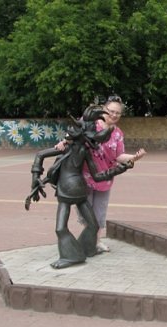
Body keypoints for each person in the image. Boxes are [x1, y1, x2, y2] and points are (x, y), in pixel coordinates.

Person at [56, 95, 146, 252]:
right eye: (111, 111)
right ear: (104, 110)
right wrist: (63, 143)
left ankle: (95, 242)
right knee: (87, 214)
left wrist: (133, 157)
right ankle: (90, 242)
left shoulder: (117, 134)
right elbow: (73, 137)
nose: (114, 115)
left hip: (105, 180)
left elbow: (119, 156)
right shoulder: (89, 124)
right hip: (85, 179)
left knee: (99, 214)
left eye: (118, 113)